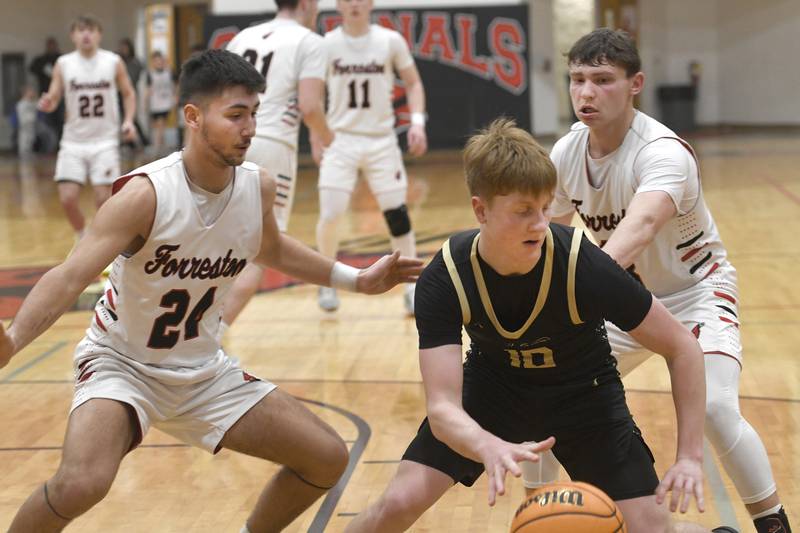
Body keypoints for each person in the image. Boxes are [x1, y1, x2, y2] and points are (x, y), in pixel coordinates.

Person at [0, 49, 422, 532]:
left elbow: (273, 249)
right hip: (123, 365)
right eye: (236, 115)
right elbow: (70, 276)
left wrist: (355, 279)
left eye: (254, 115)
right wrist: (13, 341)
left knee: (326, 457)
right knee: (82, 483)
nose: (249, 129)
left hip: (203, 372)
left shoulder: (255, 188)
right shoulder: (145, 195)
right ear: (194, 117)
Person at [345, 118, 719, 533]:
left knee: (653, 529)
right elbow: (442, 407)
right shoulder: (447, 273)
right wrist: (486, 444)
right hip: (493, 392)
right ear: (480, 209)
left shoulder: (582, 263)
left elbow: (682, 347)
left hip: (586, 398)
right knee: (396, 503)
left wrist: (688, 457)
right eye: (524, 211)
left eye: (544, 208)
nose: (540, 224)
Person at [520, 29, 792, 533]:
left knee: (712, 405)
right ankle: (541, 515)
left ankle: (772, 523)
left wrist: (572, 294)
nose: (585, 93)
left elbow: (640, 227)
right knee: (546, 402)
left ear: (635, 84)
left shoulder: (664, 151)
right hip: (625, 300)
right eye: (577, 79)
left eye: (602, 80)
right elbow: (551, 235)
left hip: (695, 293)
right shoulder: (565, 153)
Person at [222, 0, 335, 332]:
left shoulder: (243, 37)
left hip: (227, 138)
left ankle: (192, 333)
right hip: (271, 145)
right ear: (306, 3)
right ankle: (212, 338)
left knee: (217, 242)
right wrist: (328, 137)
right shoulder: (310, 40)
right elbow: (310, 106)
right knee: (262, 251)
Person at [315, 0, 427, 314]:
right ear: (337, 5)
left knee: (397, 216)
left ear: (370, 3)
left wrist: (417, 123)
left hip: (381, 141)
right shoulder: (326, 45)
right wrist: (316, 134)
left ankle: (412, 288)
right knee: (331, 213)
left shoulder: (389, 40)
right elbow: (313, 94)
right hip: (340, 140)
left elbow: (414, 83)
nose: (354, 4)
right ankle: (327, 283)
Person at [38, 15, 137, 246]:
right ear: (72, 36)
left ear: (99, 34)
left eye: (90, 30)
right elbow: (54, 95)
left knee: (104, 199)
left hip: (105, 141)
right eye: (80, 30)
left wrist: (129, 120)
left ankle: (98, 244)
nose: (86, 34)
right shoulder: (63, 63)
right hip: (73, 141)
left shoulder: (113, 61)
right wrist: (48, 103)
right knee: (67, 198)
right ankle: (82, 234)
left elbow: (129, 93)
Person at [29, 37, 64, 147]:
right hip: (45, 94)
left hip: (61, 96)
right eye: (49, 45)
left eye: (53, 45)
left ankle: (60, 145)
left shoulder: (62, 59)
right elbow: (32, 68)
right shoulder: (41, 60)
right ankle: (49, 146)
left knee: (61, 120)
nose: (51, 47)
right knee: (47, 122)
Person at [118, 37, 149, 148]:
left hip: (132, 91)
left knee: (132, 117)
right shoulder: (120, 61)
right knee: (124, 117)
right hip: (119, 93)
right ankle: (130, 141)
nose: (123, 50)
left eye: (125, 47)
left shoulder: (135, 62)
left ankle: (144, 139)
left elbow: (137, 74)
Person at [145, 50, 177, 156]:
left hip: (165, 102)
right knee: (159, 126)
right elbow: (148, 89)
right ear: (153, 62)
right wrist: (145, 102)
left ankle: (157, 148)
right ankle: (163, 147)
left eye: (159, 60)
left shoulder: (168, 72)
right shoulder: (150, 74)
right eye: (155, 61)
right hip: (155, 103)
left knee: (161, 125)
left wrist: (175, 96)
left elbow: (174, 85)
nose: (158, 63)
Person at [15, 85, 39, 158]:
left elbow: (37, 106)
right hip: (25, 124)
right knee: (25, 137)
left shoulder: (32, 102)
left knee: (31, 138)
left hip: (31, 123)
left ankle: (28, 152)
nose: (32, 93)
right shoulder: (21, 103)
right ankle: (23, 153)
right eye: (30, 92)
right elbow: (22, 116)